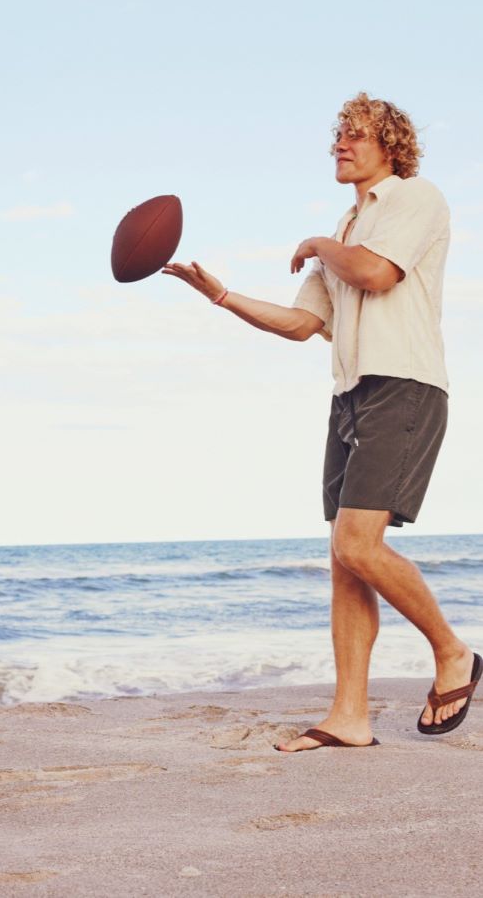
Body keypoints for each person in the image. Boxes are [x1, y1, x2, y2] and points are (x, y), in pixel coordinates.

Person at [163, 92, 481, 752]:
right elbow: (302, 323)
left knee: (359, 545)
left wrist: (317, 244)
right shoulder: (344, 229)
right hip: (351, 397)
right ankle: (349, 716)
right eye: (339, 135)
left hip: (404, 385)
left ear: (390, 146)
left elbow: (377, 273)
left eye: (356, 135)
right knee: (345, 560)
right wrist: (222, 296)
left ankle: (453, 654)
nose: (340, 144)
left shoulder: (415, 199)